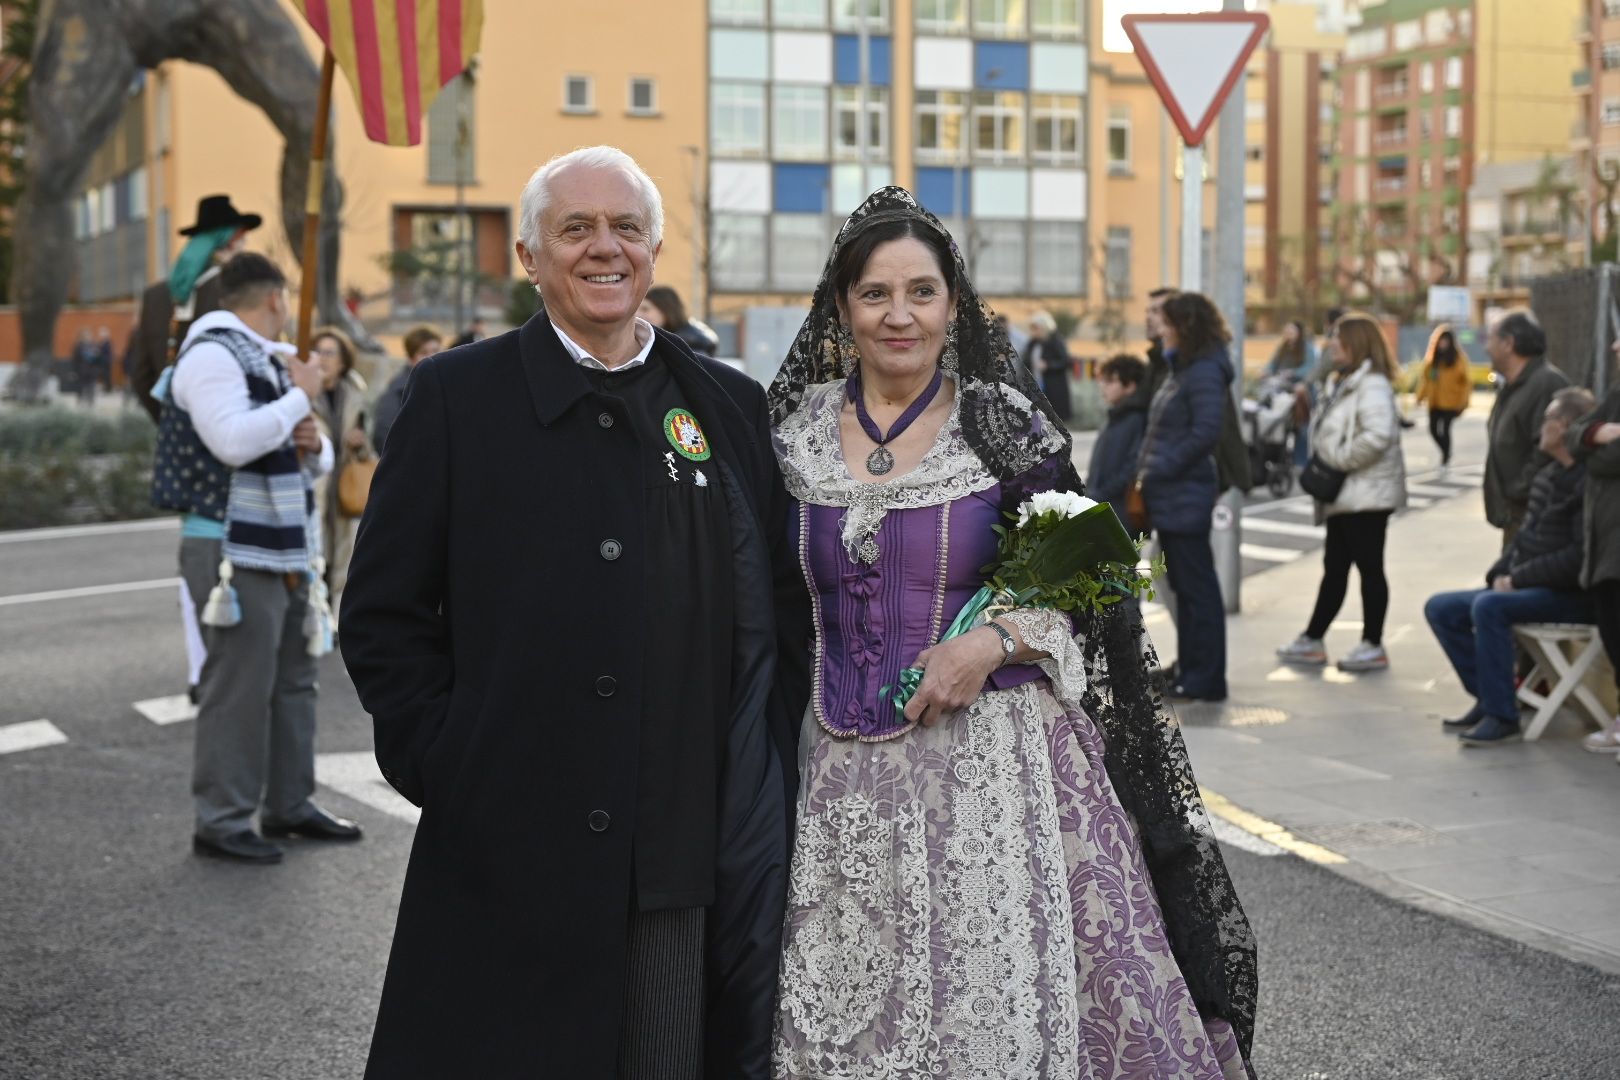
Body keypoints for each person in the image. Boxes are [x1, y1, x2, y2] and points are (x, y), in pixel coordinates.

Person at [766, 185, 1256, 1076]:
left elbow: (1094, 565)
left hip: (993, 768)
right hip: (833, 772)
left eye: (921, 291)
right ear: (842, 306)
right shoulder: (791, 438)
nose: (899, 315)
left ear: (954, 304)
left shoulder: (999, 423)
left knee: (990, 1009)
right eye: (875, 294)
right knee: (845, 1015)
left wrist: (986, 645)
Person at [340, 146, 787, 1078]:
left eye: (626, 227)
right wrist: (449, 759)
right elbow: (383, 610)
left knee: (667, 1054)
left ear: (657, 250)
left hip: (680, 835)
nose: (604, 249)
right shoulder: (458, 397)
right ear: (531, 257)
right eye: (575, 228)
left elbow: (780, 606)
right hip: (509, 835)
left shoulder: (729, 406)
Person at [154, 252, 359, 863]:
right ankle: (222, 818)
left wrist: (312, 437)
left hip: (280, 538)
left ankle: (288, 803)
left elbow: (309, 456)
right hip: (229, 543)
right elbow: (233, 440)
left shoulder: (267, 360)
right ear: (274, 299)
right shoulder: (214, 353)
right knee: (240, 686)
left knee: (296, 679)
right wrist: (299, 400)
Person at [1425, 388, 1597, 746]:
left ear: (1565, 426)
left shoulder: (1588, 482)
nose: (1540, 429)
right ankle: (1491, 699)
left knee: (1489, 607)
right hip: (1530, 585)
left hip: (1570, 595)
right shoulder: (1549, 476)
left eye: (1548, 419)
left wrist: (1516, 579)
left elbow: (1577, 560)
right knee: (1441, 608)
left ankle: (1502, 717)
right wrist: (1499, 573)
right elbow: (1523, 539)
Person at [1276, 313, 1408, 673]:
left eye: (1338, 339)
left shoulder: (1372, 385)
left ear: (1356, 343)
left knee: (1368, 568)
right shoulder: (1348, 380)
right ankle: (1314, 638)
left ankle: (1372, 644)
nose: (1331, 345)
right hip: (1349, 494)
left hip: (1364, 494)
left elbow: (1379, 435)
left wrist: (1337, 459)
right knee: (1335, 568)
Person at [1138, 291, 1236, 702]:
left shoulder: (1204, 372)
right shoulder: (1186, 367)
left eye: (1168, 321)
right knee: (1185, 585)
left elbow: (1205, 434)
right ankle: (1191, 668)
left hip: (1186, 494)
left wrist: (1158, 468)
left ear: (1186, 327)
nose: (1161, 328)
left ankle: (1206, 678)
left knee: (1198, 590)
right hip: (1174, 494)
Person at [128, 194, 262, 423]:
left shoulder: (155, 296)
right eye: (243, 239)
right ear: (231, 241)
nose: (245, 246)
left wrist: (169, 423)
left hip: (175, 436)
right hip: (228, 430)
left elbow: (141, 376)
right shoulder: (238, 294)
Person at [1569, 349, 1620, 753]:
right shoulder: (1616, 392)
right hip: (1606, 539)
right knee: (1612, 624)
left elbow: (1607, 462)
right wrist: (1594, 434)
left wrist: (1595, 444)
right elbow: (1576, 432)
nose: (1616, 348)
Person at [1483, 309, 1569, 544]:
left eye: (1489, 338)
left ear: (1508, 343)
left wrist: (1518, 491)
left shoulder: (1544, 384)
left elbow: (1548, 451)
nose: (1486, 347)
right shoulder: (1514, 387)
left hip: (1534, 520)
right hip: (1518, 518)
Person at [308, 326, 370, 621]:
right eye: (318, 351)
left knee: (345, 552)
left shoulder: (354, 394)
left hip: (344, 484)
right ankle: (313, 613)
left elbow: (366, 443)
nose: (322, 359)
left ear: (343, 360)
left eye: (330, 353)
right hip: (315, 485)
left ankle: (336, 617)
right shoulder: (304, 392)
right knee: (316, 549)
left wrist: (359, 445)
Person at [1087, 352, 1150, 525]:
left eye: (1110, 381)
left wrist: (1100, 494)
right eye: (1103, 381)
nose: (1103, 387)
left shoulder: (1137, 418)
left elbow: (1133, 467)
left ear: (1130, 386)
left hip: (1121, 510)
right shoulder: (1115, 416)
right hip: (1103, 506)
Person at [370, 324, 442, 455]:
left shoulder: (442, 385)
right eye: (424, 352)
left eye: (436, 350)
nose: (432, 357)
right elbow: (383, 435)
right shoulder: (398, 390)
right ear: (411, 358)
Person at [1414, 323, 1472, 469]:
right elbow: (1426, 380)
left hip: (1452, 402)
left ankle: (1446, 457)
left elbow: (1466, 383)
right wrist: (1420, 397)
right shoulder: (1433, 361)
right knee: (1433, 429)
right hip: (1435, 402)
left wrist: (1463, 402)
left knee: (1445, 429)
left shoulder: (1458, 360)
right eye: (1440, 340)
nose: (1442, 344)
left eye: (1445, 341)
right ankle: (1445, 451)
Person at [638, 283, 721, 355]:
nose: (638, 314)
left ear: (666, 309)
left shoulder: (690, 344)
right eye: (638, 309)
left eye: (645, 309)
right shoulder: (672, 338)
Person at [1027, 309, 1072, 422]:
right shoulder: (1033, 343)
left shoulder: (1055, 341)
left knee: (1053, 417)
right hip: (1037, 385)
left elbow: (1065, 361)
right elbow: (1026, 361)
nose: (1034, 331)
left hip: (1053, 385)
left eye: (1036, 328)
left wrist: (1048, 365)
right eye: (1032, 328)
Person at [71, 328, 99, 405]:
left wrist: (97, 355)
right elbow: (75, 360)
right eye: (86, 335)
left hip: (92, 372)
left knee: (91, 392)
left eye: (89, 335)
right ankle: (80, 406)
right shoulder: (78, 346)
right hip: (81, 372)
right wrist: (74, 372)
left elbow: (98, 360)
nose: (87, 336)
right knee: (80, 392)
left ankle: (90, 406)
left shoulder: (94, 346)